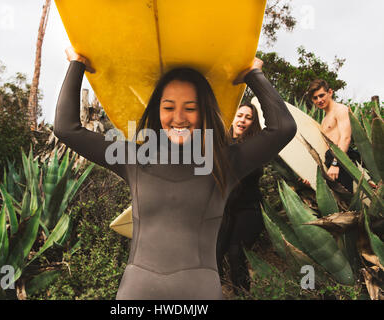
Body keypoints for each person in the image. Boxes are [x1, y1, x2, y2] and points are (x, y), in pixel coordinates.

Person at [54, 47, 297, 300]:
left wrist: (253, 74)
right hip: (137, 294)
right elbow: (67, 129)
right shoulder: (133, 158)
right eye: (168, 107)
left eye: (190, 108)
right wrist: (77, 64)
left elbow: (283, 128)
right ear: (157, 112)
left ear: (204, 111)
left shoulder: (224, 162)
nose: (178, 118)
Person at [216, 102, 264, 294]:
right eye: (239, 115)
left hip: (248, 209)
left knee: (236, 253)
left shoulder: (255, 146)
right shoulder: (221, 142)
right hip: (225, 210)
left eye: (248, 117)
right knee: (215, 254)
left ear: (253, 123)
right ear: (232, 118)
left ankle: (243, 294)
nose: (242, 120)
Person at [308, 79, 354, 192]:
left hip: (341, 161)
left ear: (330, 92)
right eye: (315, 98)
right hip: (331, 161)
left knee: (346, 199)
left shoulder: (340, 110)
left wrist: (336, 163)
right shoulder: (324, 120)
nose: (319, 100)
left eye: (321, 95)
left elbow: (345, 138)